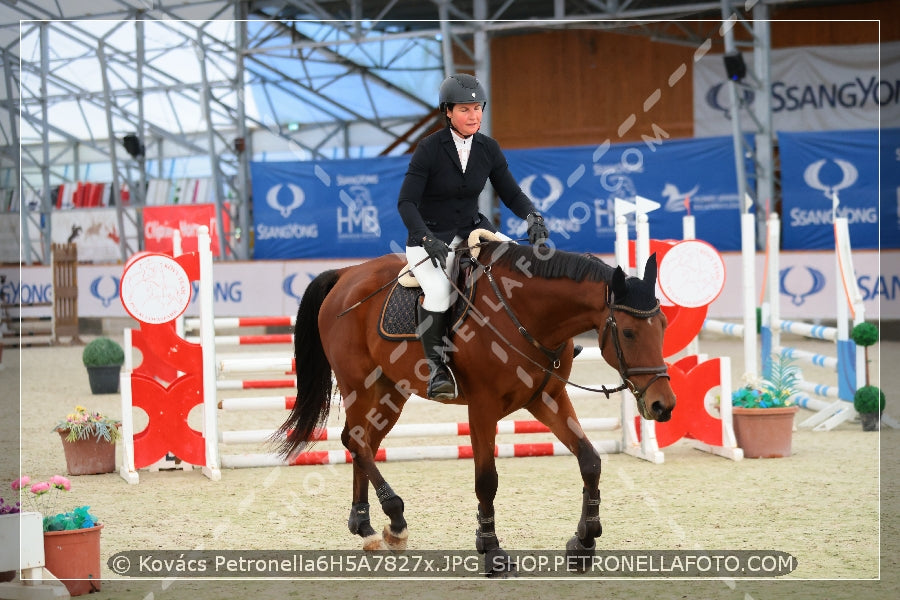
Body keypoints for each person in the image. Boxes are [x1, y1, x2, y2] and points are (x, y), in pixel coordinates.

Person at [397, 73, 550, 400]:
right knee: (439, 291)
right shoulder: (429, 149)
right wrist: (425, 238)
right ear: (448, 112)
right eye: (465, 109)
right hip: (430, 238)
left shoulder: (488, 148)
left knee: (524, 266)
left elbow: (512, 194)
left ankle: (546, 340)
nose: (474, 115)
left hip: (473, 232)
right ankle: (437, 369)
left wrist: (532, 216)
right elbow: (406, 202)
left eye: (478, 108)